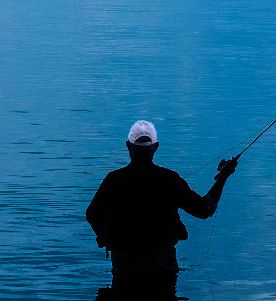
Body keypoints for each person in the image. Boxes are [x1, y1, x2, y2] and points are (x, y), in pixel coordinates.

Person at [85, 120, 237, 291]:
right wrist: (223, 177)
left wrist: (104, 237)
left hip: (123, 270)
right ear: (156, 147)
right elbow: (204, 209)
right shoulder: (170, 179)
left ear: (128, 146)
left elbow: (92, 214)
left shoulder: (112, 181)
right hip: (164, 272)